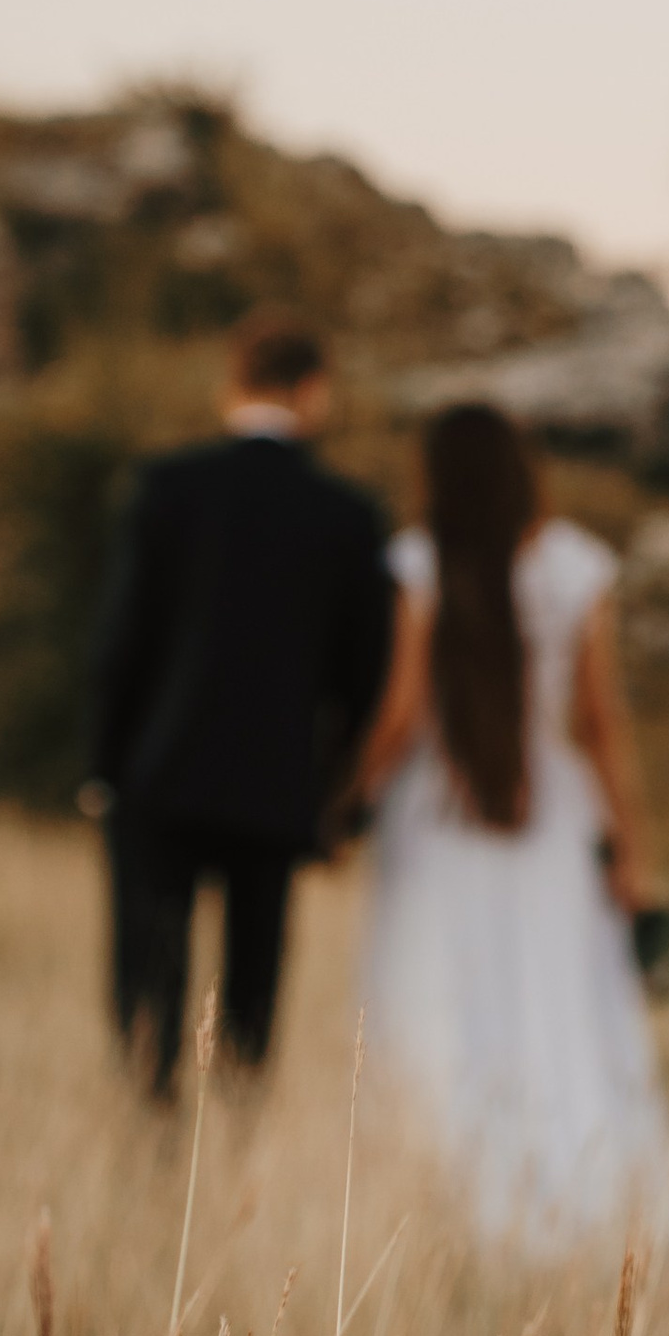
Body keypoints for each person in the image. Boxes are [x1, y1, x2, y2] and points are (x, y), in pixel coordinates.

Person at [353, 401, 669, 1249]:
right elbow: (602, 723)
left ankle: (448, 1188)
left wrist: (346, 794)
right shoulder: (577, 565)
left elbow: (403, 713)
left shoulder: (421, 561)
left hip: (438, 814)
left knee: (440, 994)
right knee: (557, 995)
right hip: (551, 814)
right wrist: (630, 846)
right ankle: (582, 1176)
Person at [86, 309, 394, 1094]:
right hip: (276, 780)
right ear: (313, 391)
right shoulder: (347, 515)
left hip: (160, 769)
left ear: (234, 385)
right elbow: (366, 673)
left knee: (149, 967)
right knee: (254, 976)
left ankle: (151, 1126)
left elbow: (122, 641)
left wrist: (101, 765)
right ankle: (239, 1125)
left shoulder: (167, 487)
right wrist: (340, 798)